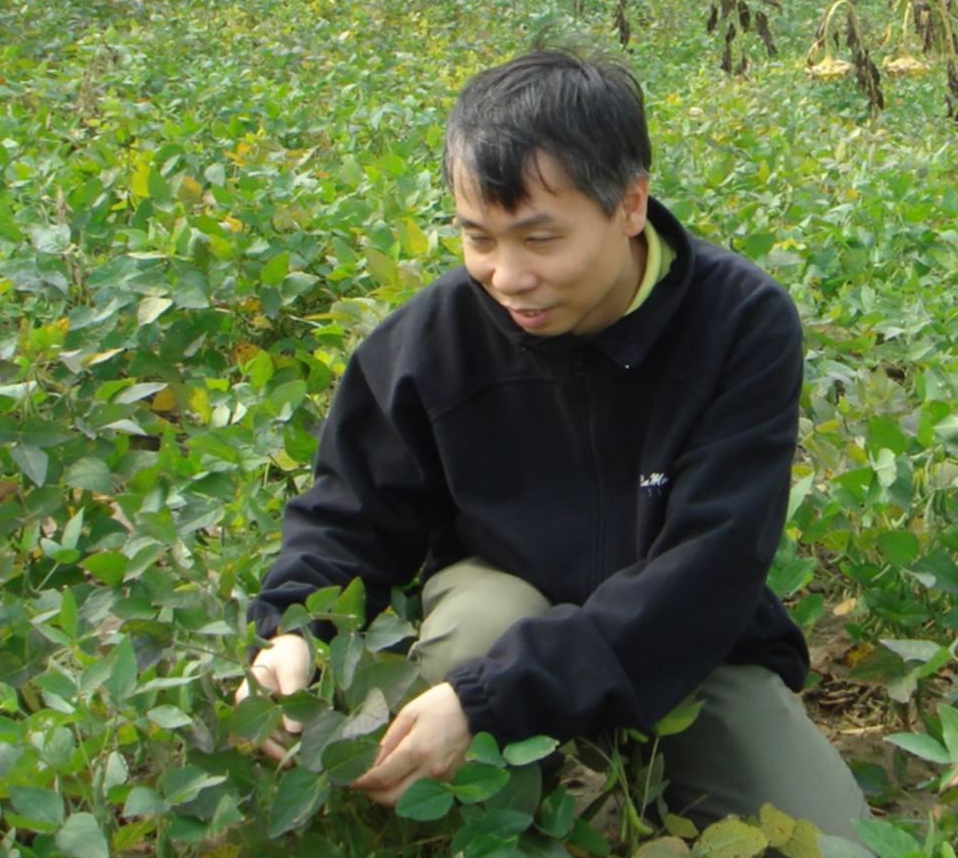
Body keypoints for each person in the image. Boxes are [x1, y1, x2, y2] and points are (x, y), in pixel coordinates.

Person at [236, 46, 869, 841]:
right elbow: (351, 514)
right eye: (479, 237)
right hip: (501, 603)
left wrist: (492, 698)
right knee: (464, 662)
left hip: (684, 641)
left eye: (540, 239)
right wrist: (293, 628)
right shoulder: (430, 340)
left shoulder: (739, 323)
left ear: (630, 203)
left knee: (833, 841)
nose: (505, 277)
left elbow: (711, 566)